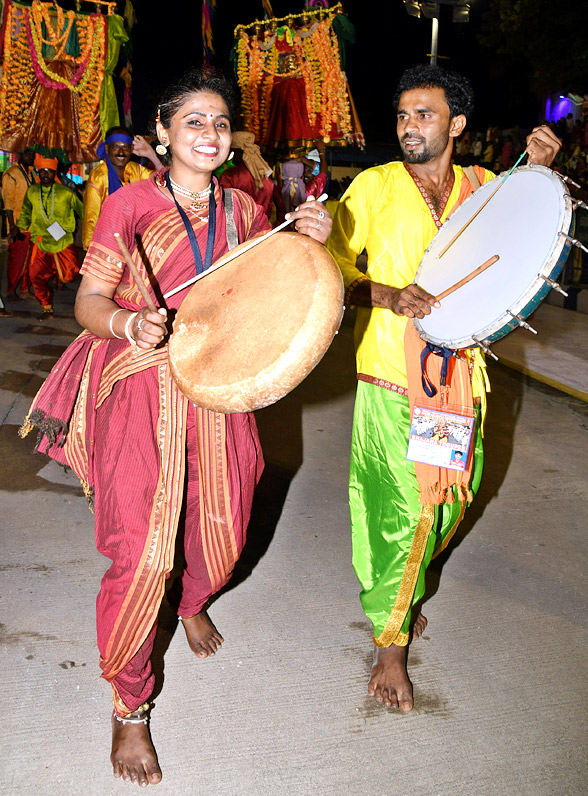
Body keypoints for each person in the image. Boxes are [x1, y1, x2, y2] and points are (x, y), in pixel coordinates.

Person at [20, 68, 331, 788]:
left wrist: (314, 242)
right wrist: (129, 321)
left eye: (221, 123)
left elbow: (273, 291)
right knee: (142, 550)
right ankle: (130, 708)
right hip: (138, 385)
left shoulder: (248, 209)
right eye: (194, 121)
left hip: (219, 389)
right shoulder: (128, 204)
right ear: (161, 132)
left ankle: (193, 601)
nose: (210, 135)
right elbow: (89, 300)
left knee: (223, 530)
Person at [326, 64, 560, 714]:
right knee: (402, 508)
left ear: (456, 124)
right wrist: (388, 294)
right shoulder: (372, 186)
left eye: (423, 115)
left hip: (459, 380)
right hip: (390, 377)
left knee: (449, 503)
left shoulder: (486, 186)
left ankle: (400, 589)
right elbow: (333, 272)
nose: (408, 127)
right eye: (402, 116)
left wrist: (539, 170)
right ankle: (390, 644)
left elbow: (521, 243)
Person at [17, 154, 83, 319]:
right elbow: (25, 212)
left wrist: (94, 230)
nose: (46, 174)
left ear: (55, 173)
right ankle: (47, 308)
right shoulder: (32, 191)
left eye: (49, 171)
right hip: (39, 241)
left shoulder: (66, 192)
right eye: (43, 171)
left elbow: (83, 210)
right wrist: (19, 229)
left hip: (62, 240)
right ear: (39, 173)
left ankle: (57, 278)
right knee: (35, 275)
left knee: (71, 273)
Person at [82, 127, 163, 249]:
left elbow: (164, 180)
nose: (121, 152)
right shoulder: (98, 177)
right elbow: (91, 219)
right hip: (108, 245)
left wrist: (150, 154)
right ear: (107, 148)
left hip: (135, 242)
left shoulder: (136, 170)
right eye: (116, 147)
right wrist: (92, 251)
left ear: (131, 150)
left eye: (125, 147)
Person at [2, 148, 35, 303]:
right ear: (19, 154)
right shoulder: (11, 174)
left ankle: (24, 289)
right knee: (17, 260)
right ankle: (11, 290)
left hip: (33, 226)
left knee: (31, 260)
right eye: (28, 154)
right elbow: (8, 204)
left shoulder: (31, 173)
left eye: (32, 154)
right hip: (19, 226)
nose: (31, 157)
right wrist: (12, 227)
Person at [219, 131, 276, 218]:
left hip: (238, 228)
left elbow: (224, 206)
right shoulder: (265, 176)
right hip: (262, 227)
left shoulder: (230, 175)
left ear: (236, 152)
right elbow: (269, 207)